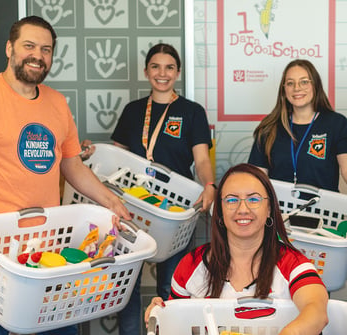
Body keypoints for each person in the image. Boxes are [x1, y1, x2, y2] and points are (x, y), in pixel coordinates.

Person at [0, 16, 130, 335]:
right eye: (29, 46)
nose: (38, 55)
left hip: (48, 249)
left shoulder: (57, 104)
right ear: (10, 48)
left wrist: (111, 201)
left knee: (59, 329)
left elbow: (73, 166)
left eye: (46, 50)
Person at [93, 43, 216, 335]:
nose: (162, 73)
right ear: (147, 71)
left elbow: (201, 159)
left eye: (169, 67)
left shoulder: (192, 112)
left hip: (173, 213)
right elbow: (116, 157)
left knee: (170, 285)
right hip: (131, 208)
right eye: (156, 67)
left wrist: (210, 185)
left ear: (178, 72)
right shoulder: (133, 111)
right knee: (127, 285)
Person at [144, 163, 329, 335]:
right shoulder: (192, 265)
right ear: (220, 211)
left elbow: (317, 313)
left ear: (270, 209)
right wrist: (160, 312)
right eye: (231, 200)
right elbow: (176, 321)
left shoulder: (292, 264)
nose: (243, 209)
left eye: (254, 199)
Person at [248, 59, 347, 223]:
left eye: (304, 82)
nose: (297, 88)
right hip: (278, 218)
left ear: (315, 85)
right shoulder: (269, 127)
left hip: (324, 217)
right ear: (284, 90)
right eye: (290, 83)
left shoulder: (337, 124)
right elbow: (257, 178)